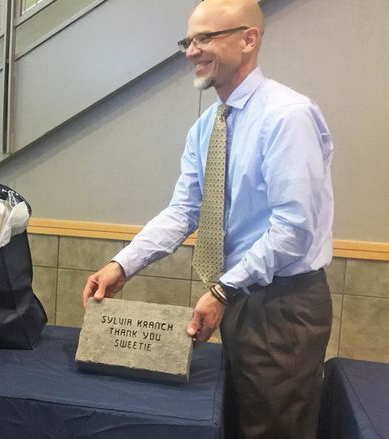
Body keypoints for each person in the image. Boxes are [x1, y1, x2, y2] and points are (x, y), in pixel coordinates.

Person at [82, 1, 333, 438]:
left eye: (205, 38)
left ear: (249, 39)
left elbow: (294, 229)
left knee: (273, 429)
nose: (190, 51)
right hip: (239, 295)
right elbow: (185, 210)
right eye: (188, 40)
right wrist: (122, 265)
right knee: (237, 420)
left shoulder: (287, 116)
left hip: (284, 305)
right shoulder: (206, 127)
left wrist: (222, 289)